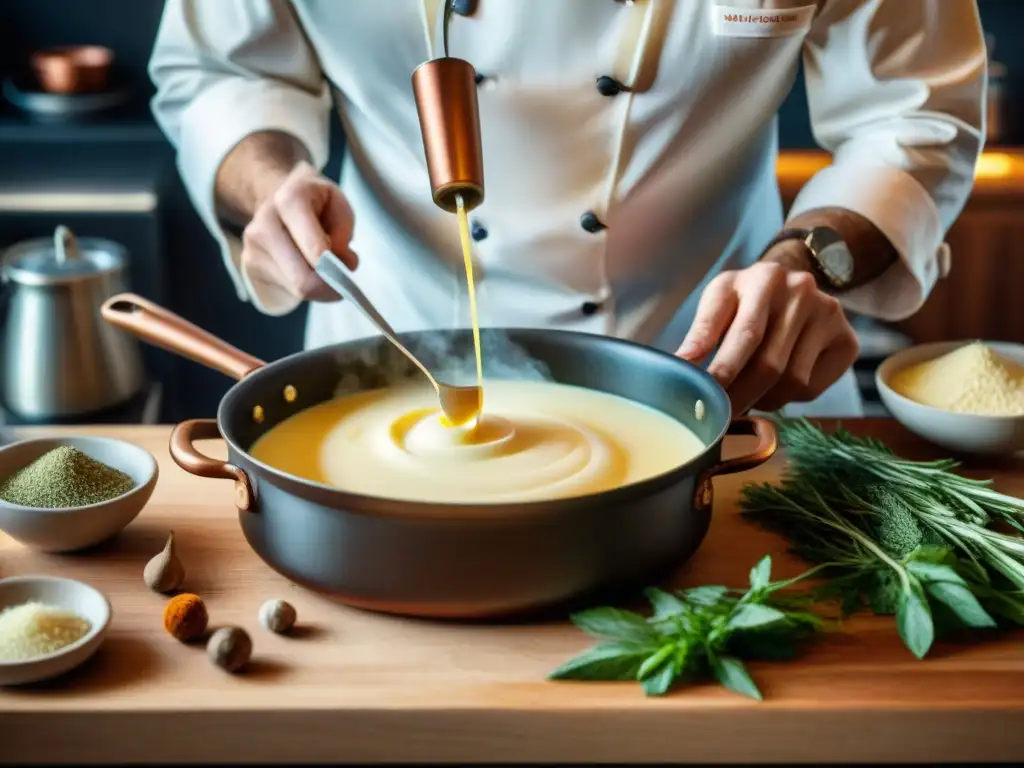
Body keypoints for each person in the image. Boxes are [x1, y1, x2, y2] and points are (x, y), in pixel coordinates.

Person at [148, 0, 984, 417]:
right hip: (391, 366)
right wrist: (269, 187)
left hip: (726, 372)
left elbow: (911, 116)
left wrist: (808, 259)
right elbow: (224, 69)